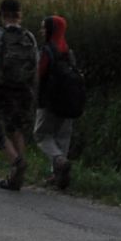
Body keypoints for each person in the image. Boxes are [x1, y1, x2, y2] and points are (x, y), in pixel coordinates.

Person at [0, 0, 39, 190]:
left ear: (3, 15)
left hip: (3, 88)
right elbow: (35, 65)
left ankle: (16, 162)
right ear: (19, 15)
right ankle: (18, 175)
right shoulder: (29, 36)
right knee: (17, 129)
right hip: (25, 90)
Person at [34, 14, 79, 190]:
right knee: (63, 137)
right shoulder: (67, 51)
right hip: (69, 101)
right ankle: (57, 175)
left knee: (41, 134)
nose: (41, 31)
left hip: (49, 101)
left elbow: (39, 73)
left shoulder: (47, 51)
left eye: (44, 27)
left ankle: (59, 160)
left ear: (51, 30)